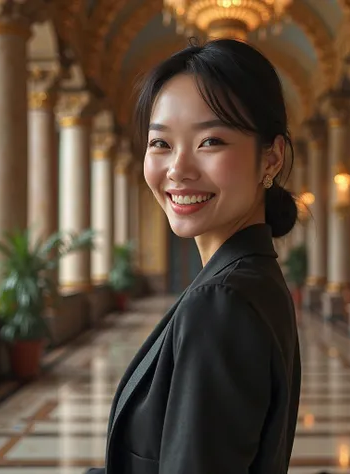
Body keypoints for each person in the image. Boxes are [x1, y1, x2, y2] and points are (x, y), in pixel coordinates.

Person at [87, 37, 301, 474]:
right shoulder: (253, 279)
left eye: (210, 141)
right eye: (161, 143)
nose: (178, 170)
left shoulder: (223, 302)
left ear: (271, 158)